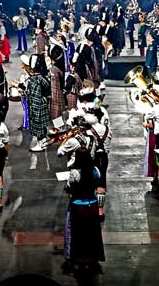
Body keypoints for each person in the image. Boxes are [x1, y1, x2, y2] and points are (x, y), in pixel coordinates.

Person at [58, 113, 105, 275]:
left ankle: (76, 258)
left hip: (77, 206)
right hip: (91, 205)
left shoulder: (74, 174)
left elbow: (70, 186)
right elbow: (98, 182)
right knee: (91, 234)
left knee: (75, 233)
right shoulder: (95, 171)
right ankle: (91, 258)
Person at [26, 54, 51, 152]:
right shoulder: (42, 77)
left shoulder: (35, 79)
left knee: (38, 125)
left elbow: (35, 97)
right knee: (43, 126)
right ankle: (43, 140)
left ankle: (40, 144)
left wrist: (34, 112)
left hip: (38, 105)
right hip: (43, 103)